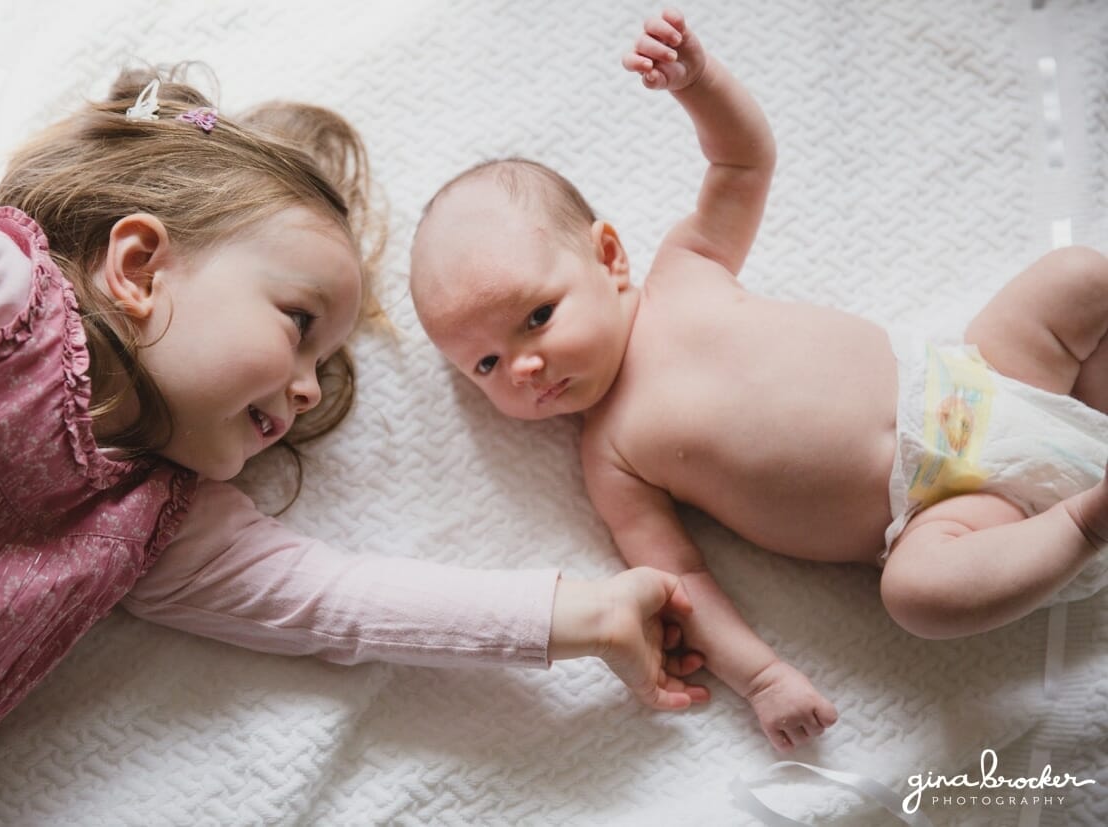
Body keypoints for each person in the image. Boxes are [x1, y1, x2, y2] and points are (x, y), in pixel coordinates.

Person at [0, 69, 709, 810]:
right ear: (139, 268)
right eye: (299, 324)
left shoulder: (155, 521)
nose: (308, 390)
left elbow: (340, 601)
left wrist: (588, 616)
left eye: (323, 361)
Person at [408, 8, 1108, 752]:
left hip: (979, 378)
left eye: (537, 316)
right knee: (917, 597)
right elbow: (683, 581)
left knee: (1077, 279)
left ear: (608, 256)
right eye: (483, 364)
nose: (522, 366)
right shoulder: (609, 457)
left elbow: (743, 163)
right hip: (945, 514)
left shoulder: (687, 267)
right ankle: (1083, 523)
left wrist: (699, 83)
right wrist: (763, 677)